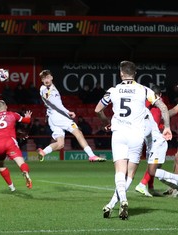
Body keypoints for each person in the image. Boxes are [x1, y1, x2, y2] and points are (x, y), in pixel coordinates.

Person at [95, 60, 172, 220]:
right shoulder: (144, 90)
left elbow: (98, 109)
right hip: (137, 135)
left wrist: (105, 121)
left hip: (119, 134)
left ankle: (121, 201)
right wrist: (167, 127)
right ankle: (113, 203)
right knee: (130, 174)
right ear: (135, 73)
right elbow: (163, 107)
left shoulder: (113, 90)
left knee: (119, 171)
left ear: (121, 73)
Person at [36, 69, 105, 162]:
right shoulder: (44, 89)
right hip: (59, 116)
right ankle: (91, 155)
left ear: (51, 77)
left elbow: (50, 104)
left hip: (53, 118)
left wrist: (47, 114)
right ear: (41, 80)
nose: (46, 80)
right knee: (78, 132)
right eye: (44, 78)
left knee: (60, 144)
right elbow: (55, 103)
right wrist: (68, 112)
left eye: (47, 77)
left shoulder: (52, 88)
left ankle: (43, 152)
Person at [135, 85, 171, 197]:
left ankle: (150, 188)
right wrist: (165, 126)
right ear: (159, 95)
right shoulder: (158, 103)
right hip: (156, 137)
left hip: (148, 137)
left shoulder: (145, 103)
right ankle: (142, 184)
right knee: (156, 164)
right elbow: (157, 119)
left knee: (154, 163)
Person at [0, 100, 32, 191]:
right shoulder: (12, 114)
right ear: (6, 107)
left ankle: (11, 187)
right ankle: (25, 172)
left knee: (1, 165)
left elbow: (1, 130)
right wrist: (28, 117)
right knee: (21, 163)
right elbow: (27, 121)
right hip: (9, 141)